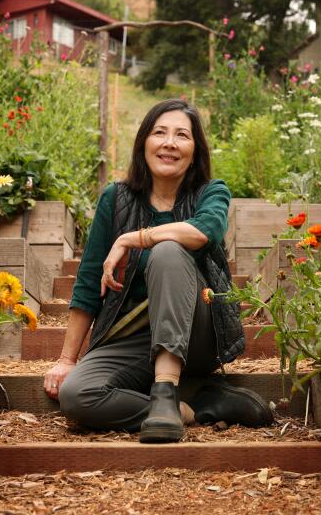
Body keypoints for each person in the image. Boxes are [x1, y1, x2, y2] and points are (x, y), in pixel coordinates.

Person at [43, 98, 272, 443]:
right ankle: (197, 403)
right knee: (77, 396)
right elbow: (90, 282)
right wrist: (65, 359)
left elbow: (202, 232)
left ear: (195, 151)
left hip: (196, 333)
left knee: (167, 251)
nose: (169, 143)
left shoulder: (212, 193)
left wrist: (134, 238)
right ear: (143, 144)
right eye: (159, 132)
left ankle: (166, 391)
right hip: (133, 339)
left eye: (182, 135)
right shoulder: (115, 199)